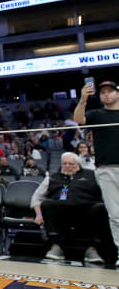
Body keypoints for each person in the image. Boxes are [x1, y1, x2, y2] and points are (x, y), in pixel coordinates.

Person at [31, 152, 110, 263]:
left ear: (78, 164)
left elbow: (106, 194)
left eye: (71, 164)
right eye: (65, 164)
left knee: (100, 207)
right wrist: (38, 215)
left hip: (86, 212)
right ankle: (56, 247)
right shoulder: (52, 177)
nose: (67, 166)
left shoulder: (92, 175)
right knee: (48, 204)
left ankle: (91, 249)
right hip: (61, 214)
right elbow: (37, 197)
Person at [74, 80, 119, 267]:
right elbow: (79, 120)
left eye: (110, 91)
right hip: (106, 168)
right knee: (115, 215)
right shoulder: (97, 114)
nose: (106, 94)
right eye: (103, 92)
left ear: (118, 93)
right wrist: (83, 99)